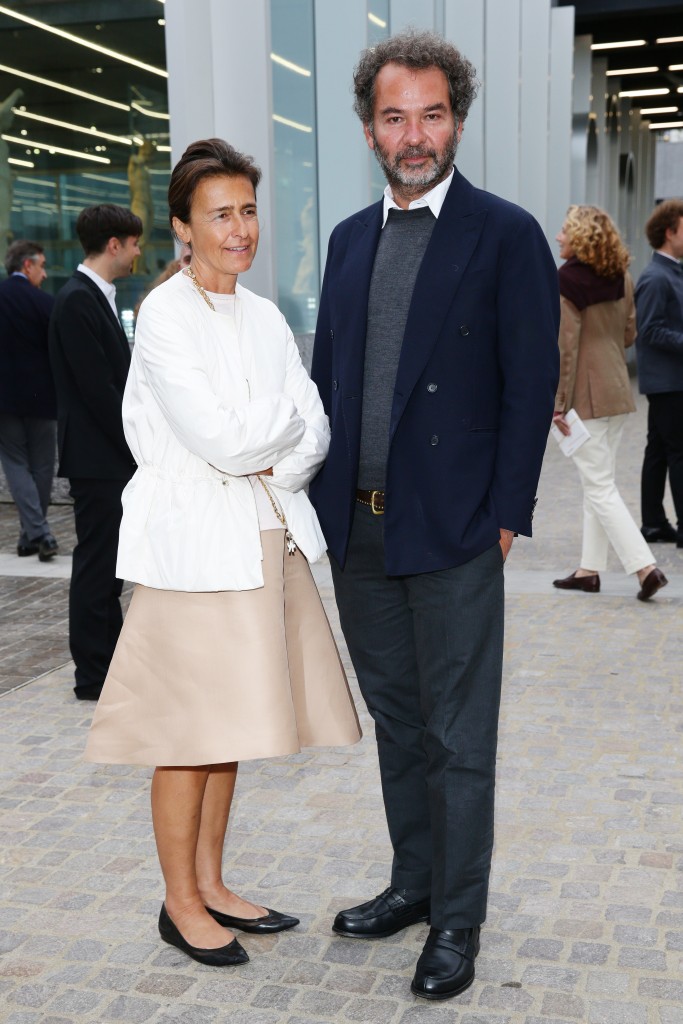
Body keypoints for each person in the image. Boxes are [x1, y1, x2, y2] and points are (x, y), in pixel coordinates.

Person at [309, 30, 559, 1001]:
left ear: (455, 118)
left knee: (459, 737)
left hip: (453, 530)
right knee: (400, 724)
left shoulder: (502, 234)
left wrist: (503, 513)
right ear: (370, 129)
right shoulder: (344, 240)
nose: (413, 134)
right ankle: (411, 883)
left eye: (430, 113)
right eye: (392, 116)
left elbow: (526, 378)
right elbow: (329, 379)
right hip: (359, 533)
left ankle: (457, 918)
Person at [84, 139, 361, 968]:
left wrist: (278, 439)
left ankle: (211, 883)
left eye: (247, 211)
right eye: (220, 215)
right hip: (195, 553)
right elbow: (222, 437)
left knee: (228, 726)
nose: (240, 229)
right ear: (182, 228)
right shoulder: (166, 315)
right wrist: (276, 434)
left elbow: (313, 427)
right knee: (189, 733)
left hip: (264, 538)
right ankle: (178, 903)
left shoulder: (265, 313)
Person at [48, 205, 141, 700]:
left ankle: (109, 663)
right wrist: (137, 441)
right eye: (133, 244)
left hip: (104, 457)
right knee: (97, 565)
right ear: (114, 245)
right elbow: (99, 390)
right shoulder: (78, 301)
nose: (137, 253)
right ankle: (93, 674)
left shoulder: (92, 297)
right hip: (98, 458)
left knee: (108, 565)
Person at [552, 206, 668, 601]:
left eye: (565, 230)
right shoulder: (622, 277)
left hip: (583, 399)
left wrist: (556, 404)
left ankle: (645, 568)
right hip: (617, 390)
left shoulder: (566, 281)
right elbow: (630, 334)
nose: (558, 237)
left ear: (581, 236)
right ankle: (589, 570)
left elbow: (565, 350)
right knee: (598, 483)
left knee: (600, 487)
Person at [0, 240, 58, 560]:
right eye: (42, 265)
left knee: (15, 464)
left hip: (4, 400)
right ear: (27, 266)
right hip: (41, 397)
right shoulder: (44, 303)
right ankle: (40, 533)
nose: (45, 273)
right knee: (42, 467)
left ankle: (29, 535)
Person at [635, 199, 683, 548]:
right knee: (677, 452)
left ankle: (653, 523)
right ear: (670, 232)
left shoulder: (671, 272)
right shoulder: (655, 277)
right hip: (668, 382)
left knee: (659, 451)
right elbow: (649, 330)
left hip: (671, 380)